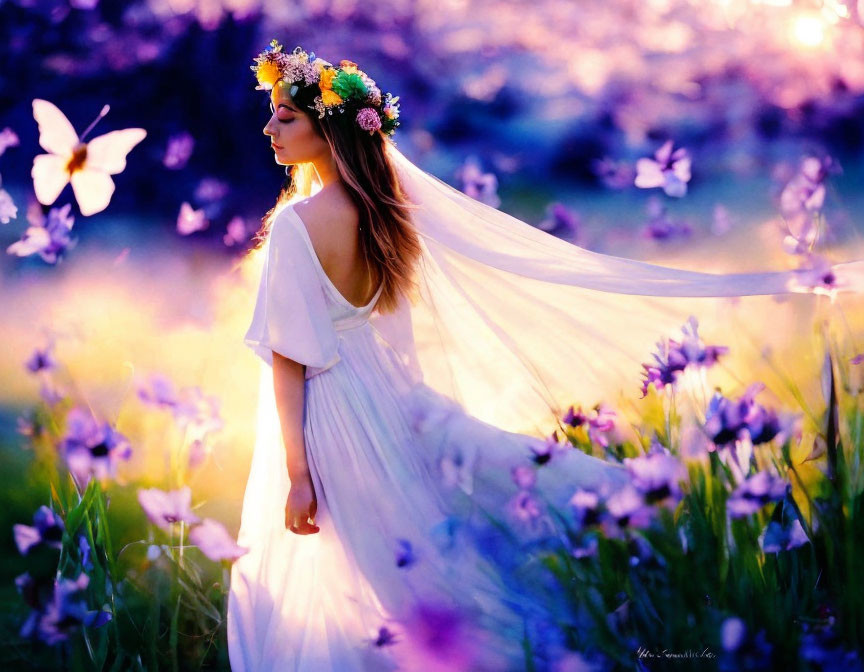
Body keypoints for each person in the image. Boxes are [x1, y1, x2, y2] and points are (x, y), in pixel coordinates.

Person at [226, 42, 864, 672]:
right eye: (274, 113)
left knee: (387, 569)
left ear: (330, 129)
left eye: (287, 115)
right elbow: (396, 333)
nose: (270, 126)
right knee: (419, 555)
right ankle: (684, 513)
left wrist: (297, 471)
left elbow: (290, 358)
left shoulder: (297, 224)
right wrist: (412, 409)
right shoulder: (383, 211)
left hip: (333, 413)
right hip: (391, 398)